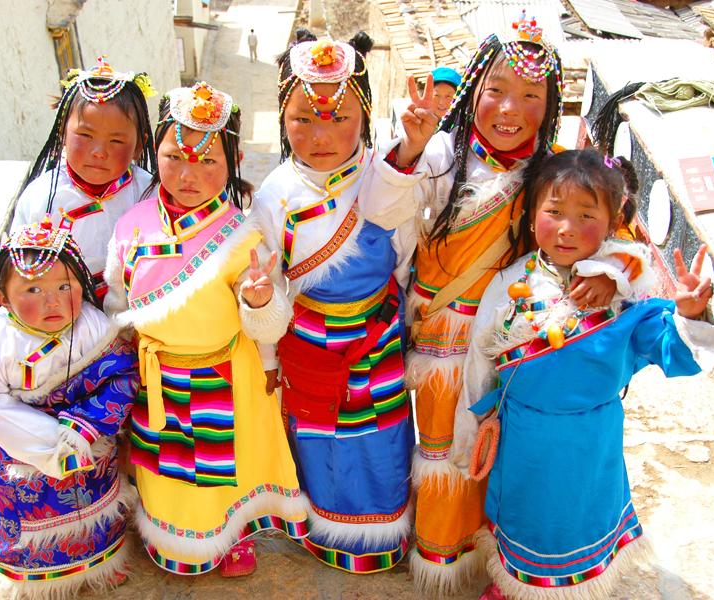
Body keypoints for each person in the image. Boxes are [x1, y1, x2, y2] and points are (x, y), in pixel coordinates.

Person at [367, 12, 646, 594]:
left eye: (530, 95)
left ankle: (502, 552)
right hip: (444, 340)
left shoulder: (553, 172)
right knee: (447, 452)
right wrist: (410, 151)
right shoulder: (441, 155)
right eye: (496, 91)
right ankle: (444, 556)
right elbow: (383, 213)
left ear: (552, 107)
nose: (510, 109)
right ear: (474, 92)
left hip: (519, 341)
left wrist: (608, 270)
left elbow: (620, 241)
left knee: (505, 454)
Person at [456, 149, 714, 599]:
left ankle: (570, 588)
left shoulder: (625, 300)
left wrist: (692, 312)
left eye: (586, 215)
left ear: (611, 223)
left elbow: (672, 349)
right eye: (554, 212)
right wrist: (469, 430)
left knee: (576, 512)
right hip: (522, 434)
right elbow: (478, 362)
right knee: (523, 510)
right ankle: (516, 585)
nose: (567, 228)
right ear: (532, 217)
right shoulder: (510, 281)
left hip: (589, 439)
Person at [105, 82, 306, 577]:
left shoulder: (241, 234)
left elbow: (271, 324)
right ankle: (168, 539)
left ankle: (229, 538)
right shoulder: (132, 225)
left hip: (224, 372)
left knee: (221, 474)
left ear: (233, 159)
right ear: (156, 151)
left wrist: (260, 300)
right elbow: (115, 299)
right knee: (164, 472)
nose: (189, 174)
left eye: (208, 162)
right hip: (156, 375)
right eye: (174, 157)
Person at [251, 30, 419, 573]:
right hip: (309, 343)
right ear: (282, 118)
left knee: (382, 440)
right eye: (303, 119)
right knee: (319, 440)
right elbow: (268, 284)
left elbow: (403, 260)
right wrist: (270, 361)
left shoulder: (387, 180)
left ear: (365, 117)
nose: (320, 134)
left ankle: (384, 536)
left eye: (339, 117)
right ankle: (325, 533)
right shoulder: (274, 194)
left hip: (377, 337)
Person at [0, 221, 139, 597]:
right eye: (33, 289)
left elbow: (122, 376)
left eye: (65, 286)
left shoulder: (94, 327)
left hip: (88, 438)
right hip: (20, 448)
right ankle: (31, 580)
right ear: (2, 297)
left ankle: (101, 564)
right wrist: (48, 442)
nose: (53, 301)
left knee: (96, 511)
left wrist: (82, 428)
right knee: (25, 520)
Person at [12, 56, 156, 302]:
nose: (99, 151)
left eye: (117, 141)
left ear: (139, 145)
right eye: (85, 135)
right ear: (62, 133)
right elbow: (21, 272)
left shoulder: (149, 194)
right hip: (65, 319)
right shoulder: (40, 198)